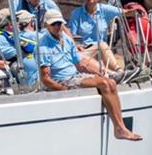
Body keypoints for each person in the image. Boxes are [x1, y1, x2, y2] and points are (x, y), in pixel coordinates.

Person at [38, 9, 142, 140]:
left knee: (110, 82)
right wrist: (63, 90)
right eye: (54, 24)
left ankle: (120, 126)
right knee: (104, 83)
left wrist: (98, 72)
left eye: (59, 23)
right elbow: (46, 78)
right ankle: (120, 129)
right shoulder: (43, 46)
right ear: (47, 25)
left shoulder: (66, 39)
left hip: (75, 76)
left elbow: (80, 63)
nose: (58, 26)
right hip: (63, 81)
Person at [68, 0, 122, 72]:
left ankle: (117, 73)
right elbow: (70, 35)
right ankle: (119, 72)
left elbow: (123, 12)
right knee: (102, 45)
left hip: (100, 53)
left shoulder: (104, 9)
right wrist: (77, 46)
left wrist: (138, 9)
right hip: (83, 52)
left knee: (102, 46)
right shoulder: (76, 13)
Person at [0, 8, 38, 86]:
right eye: (16, 20)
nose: (19, 23)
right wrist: (10, 65)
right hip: (29, 83)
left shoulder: (18, 36)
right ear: (10, 24)